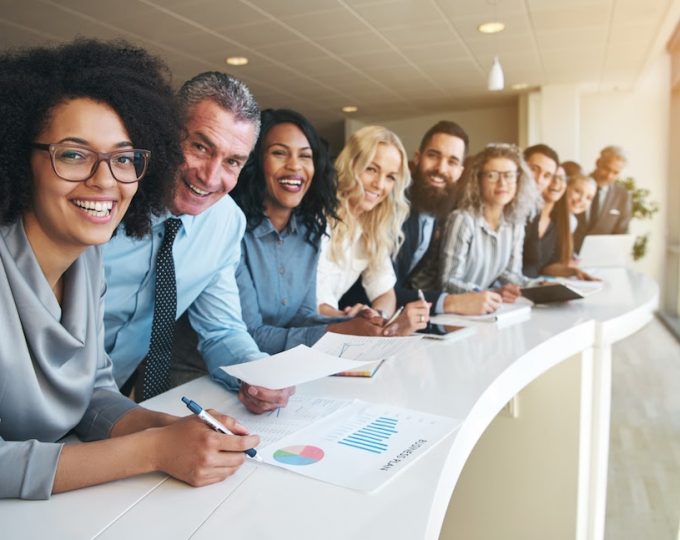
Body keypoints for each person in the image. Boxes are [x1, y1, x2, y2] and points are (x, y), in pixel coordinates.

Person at [0, 39, 259, 500]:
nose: (104, 181)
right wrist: (155, 449)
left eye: (122, 158)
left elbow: (92, 393)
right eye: (74, 154)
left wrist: (175, 429)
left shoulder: (85, 259)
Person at [103, 72, 293, 414]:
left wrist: (255, 373)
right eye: (201, 147)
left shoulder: (225, 222)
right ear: (167, 132)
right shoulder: (104, 198)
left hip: (106, 404)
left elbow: (221, 330)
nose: (210, 176)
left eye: (232, 161)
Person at [228, 108, 386, 353]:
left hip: (274, 370)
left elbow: (303, 315)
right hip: (206, 374)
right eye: (279, 153)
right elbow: (249, 335)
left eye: (305, 156)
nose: (295, 166)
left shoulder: (308, 232)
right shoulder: (234, 232)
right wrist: (337, 331)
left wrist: (353, 322)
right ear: (256, 162)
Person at [342, 121, 503, 316]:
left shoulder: (438, 209)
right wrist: (451, 302)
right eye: (433, 156)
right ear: (417, 158)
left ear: (460, 171)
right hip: (349, 314)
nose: (440, 169)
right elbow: (379, 290)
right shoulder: (387, 205)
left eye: (452, 162)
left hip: (385, 317)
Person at [316, 126, 429, 333]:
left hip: (333, 331)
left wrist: (380, 316)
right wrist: (352, 318)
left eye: (390, 177)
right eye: (371, 169)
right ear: (351, 164)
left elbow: (385, 293)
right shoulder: (317, 217)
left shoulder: (372, 225)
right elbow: (313, 304)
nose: (379, 184)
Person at [412, 143, 538, 302]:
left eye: (509, 175)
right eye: (492, 175)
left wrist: (538, 285)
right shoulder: (462, 220)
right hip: (439, 308)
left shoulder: (515, 224)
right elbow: (448, 283)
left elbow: (510, 275)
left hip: (479, 308)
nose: (502, 183)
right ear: (478, 180)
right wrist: (489, 293)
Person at [573, 145, 632, 252]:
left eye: (615, 172)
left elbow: (621, 234)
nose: (609, 176)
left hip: (602, 257)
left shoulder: (622, 196)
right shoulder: (575, 185)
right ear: (597, 162)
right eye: (606, 169)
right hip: (568, 255)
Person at [521, 144, 563, 277]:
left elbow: (534, 265)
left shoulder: (533, 211)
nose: (539, 180)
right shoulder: (502, 207)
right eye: (534, 169)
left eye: (547, 176)